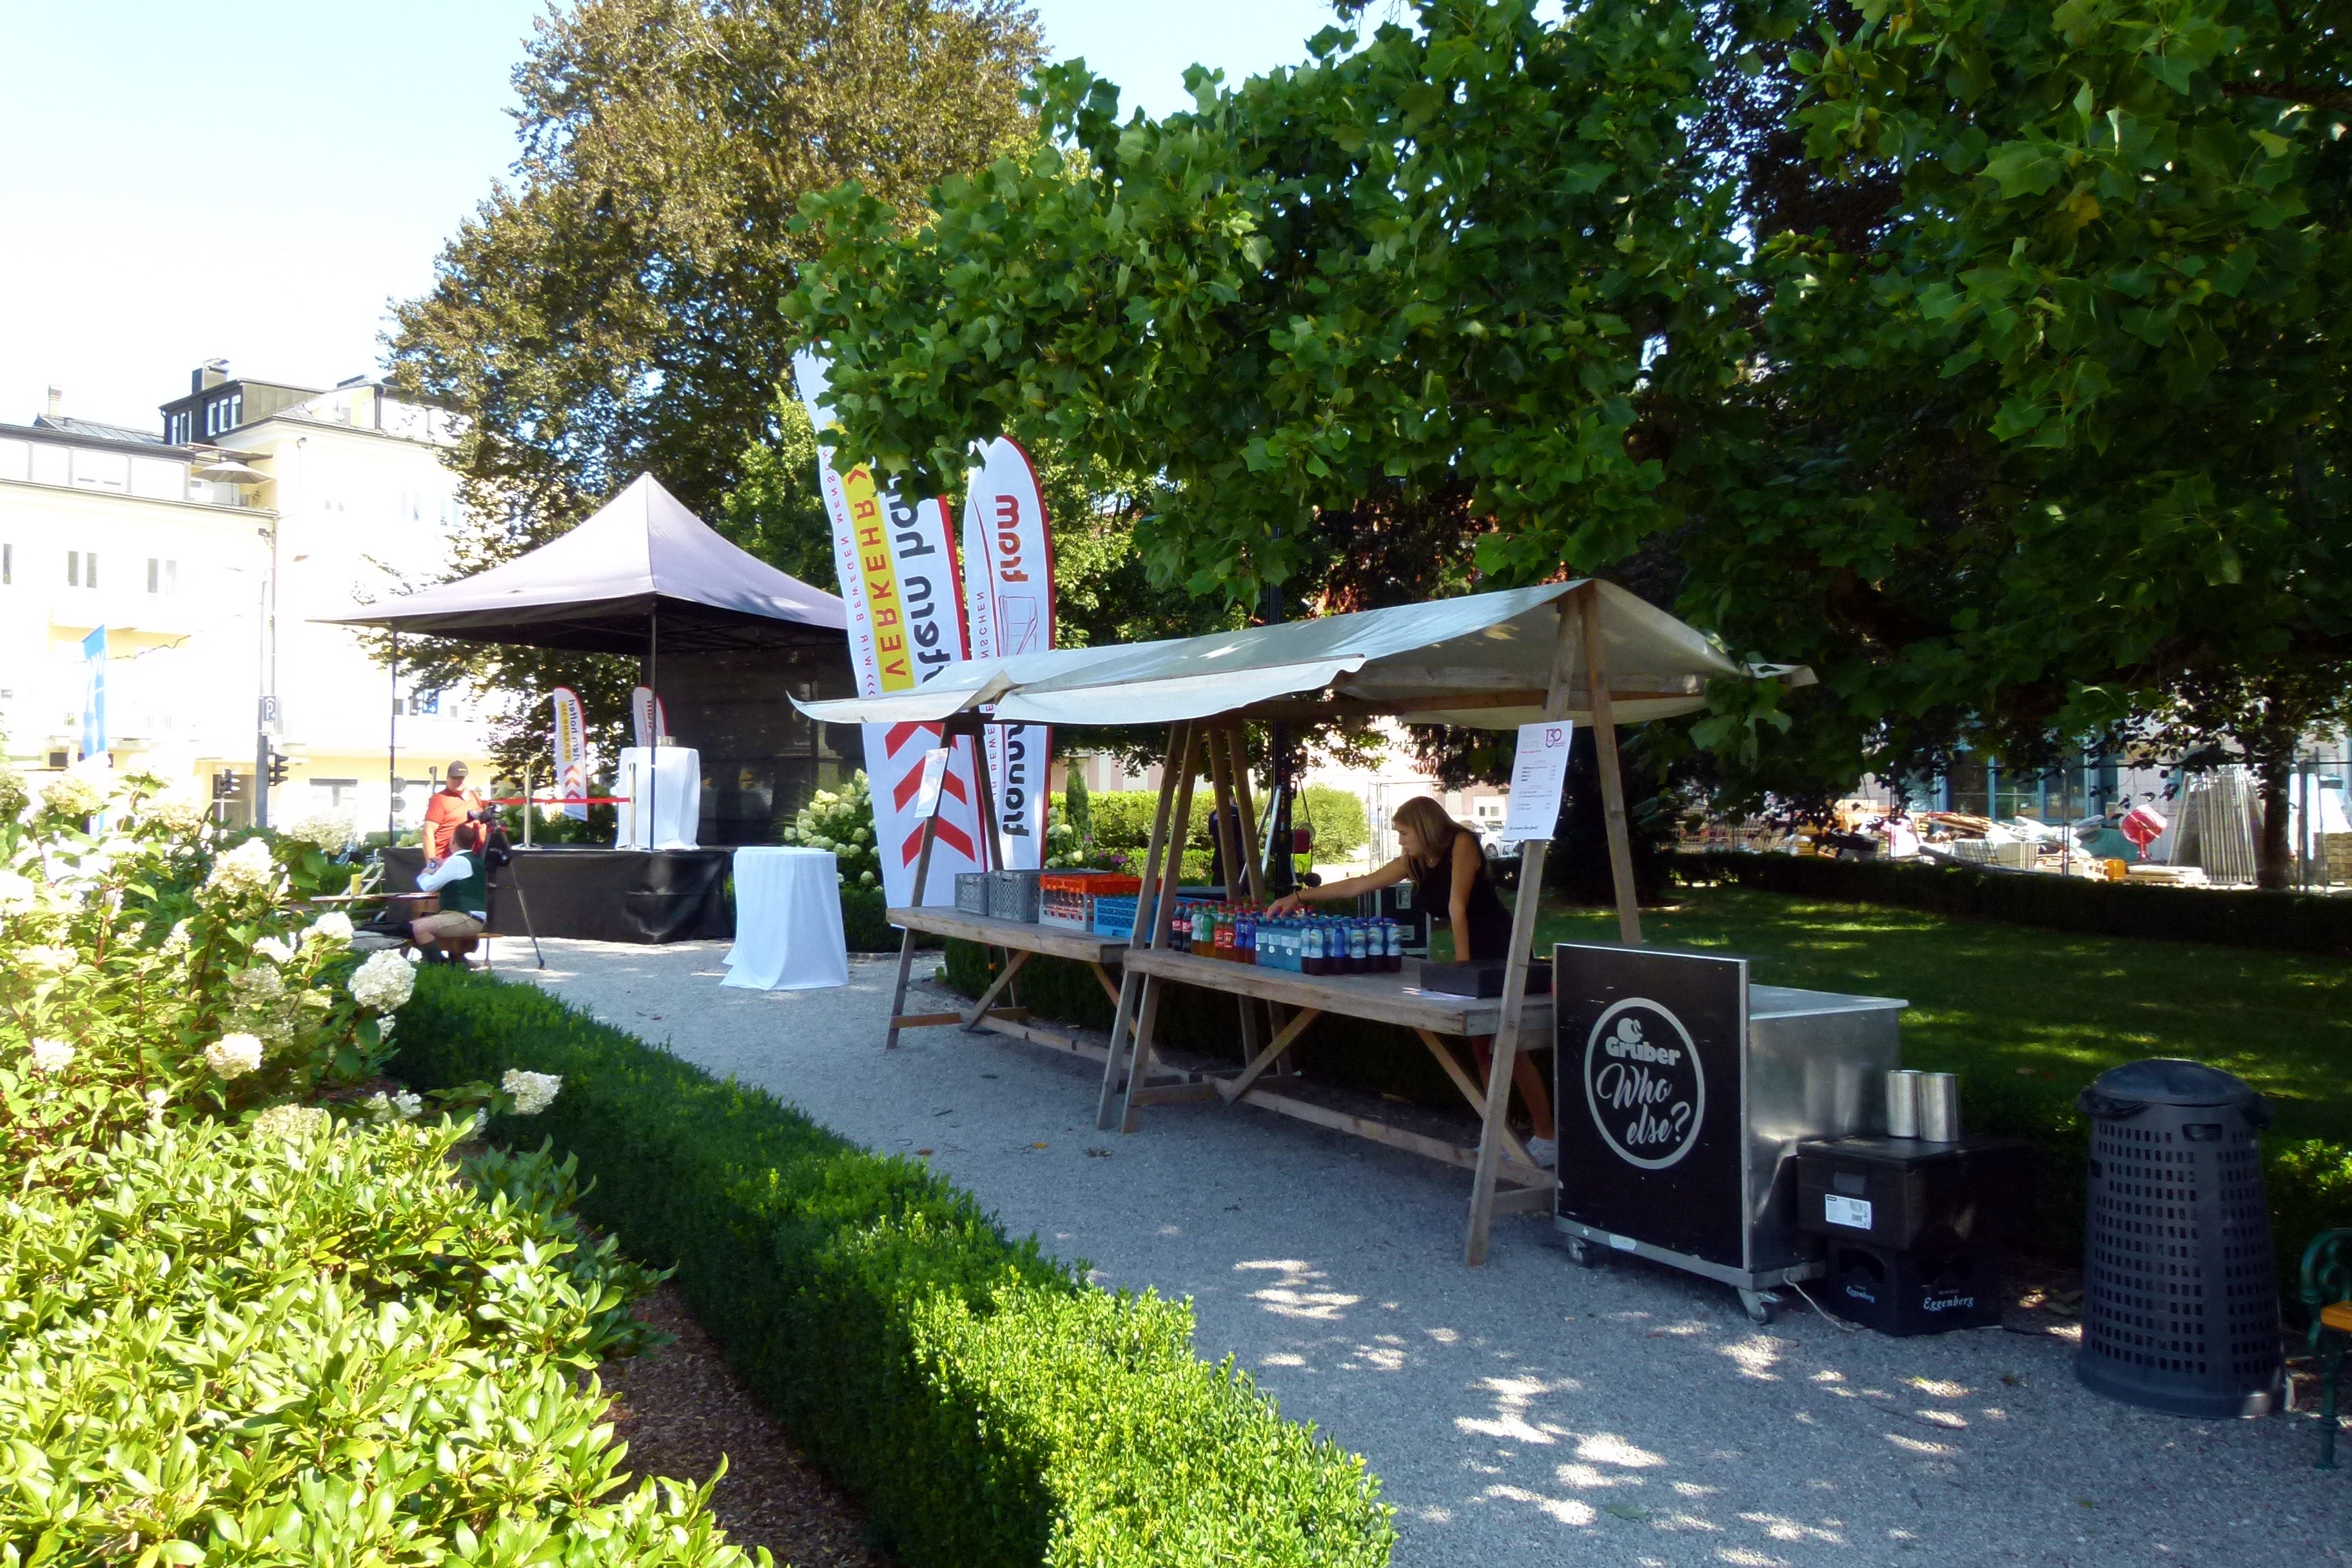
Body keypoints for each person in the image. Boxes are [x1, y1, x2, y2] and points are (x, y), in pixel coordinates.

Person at [1266, 794, 1556, 1167]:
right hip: (1469, 951)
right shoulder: (1414, 861)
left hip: (1500, 947)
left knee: (1510, 1046)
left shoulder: (1462, 842)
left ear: (1424, 827)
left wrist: (1462, 968)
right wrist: (1298, 896)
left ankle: (1547, 1136)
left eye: (1404, 833)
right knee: (1482, 1049)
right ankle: (1499, 1135)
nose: (1401, 841)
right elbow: (1359, 885)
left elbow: (1457, 906)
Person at [411, 819, 489, 963]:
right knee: (411, 928)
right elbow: (461, 878)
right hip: (472, 917)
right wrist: (444, 867)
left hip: (465, 918)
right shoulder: (475, 859)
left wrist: (425, 873)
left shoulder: (456, 861)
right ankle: (446, 963)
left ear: (453, 841)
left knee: (418, 928)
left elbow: (428, 886)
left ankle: (437, 967)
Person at [421, 762, 482, 862]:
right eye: (454, 778)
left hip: (471, 859)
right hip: (446, 861)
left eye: (461, 778)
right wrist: (431, 863)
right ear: (448, 778)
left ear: (468, 778)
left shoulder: (475, 797)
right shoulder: (440, 799)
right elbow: (428, 832)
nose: (458, 781)